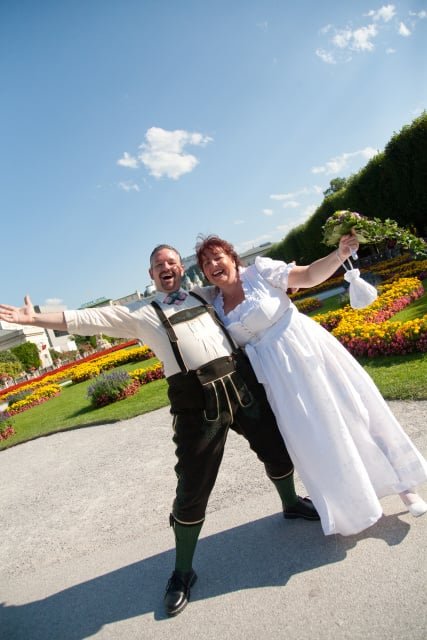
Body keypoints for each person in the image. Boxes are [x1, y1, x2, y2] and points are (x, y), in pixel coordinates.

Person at [0, 244, 319, 617]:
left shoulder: (205, 294)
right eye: (158, 265)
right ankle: (182, 572)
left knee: (275, 446)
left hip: (240, 381)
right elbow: (85, 319)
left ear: (180, 270)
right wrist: (33, 318)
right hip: (195, 401)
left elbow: (242, 284)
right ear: (151, 275)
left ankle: (290, 503)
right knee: (192, 487)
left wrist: (288, 278)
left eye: (172, 262)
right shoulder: (138, 313)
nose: (166, 267)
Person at [194, 234, 427, 537]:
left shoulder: (260, 272)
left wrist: (339, 255)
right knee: (319, 438)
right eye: (206, 263)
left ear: (231, 256)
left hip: (306, 350)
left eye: (217, 257)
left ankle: (406, 487)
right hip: (278, 381)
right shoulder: (214, 303)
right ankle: (357, 505)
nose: (213, 265)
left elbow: (307, 276)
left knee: (355, 411)